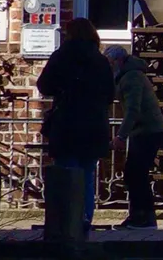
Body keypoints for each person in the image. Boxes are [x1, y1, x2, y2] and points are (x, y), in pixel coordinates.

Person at [37, 17, 115, 240]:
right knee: (87, 176)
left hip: (67, 123)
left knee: (66, 173)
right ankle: (84, 220)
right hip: (94, 126)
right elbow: (110, 95)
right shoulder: (101, 61)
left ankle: (66, 221)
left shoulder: (61, 57)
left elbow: (44, 85)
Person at [105, 45, 163, 230]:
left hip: (147, 130)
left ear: (118, 61)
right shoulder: (129, 75)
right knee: (135, 174)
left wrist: (121, 136)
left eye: (110, 63)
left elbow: (133, 110)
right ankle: (142, 216)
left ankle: (143, 218)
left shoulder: (131, 77)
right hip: (145, 130)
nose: (108, 67)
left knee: (135, 174)